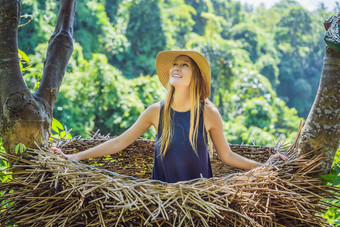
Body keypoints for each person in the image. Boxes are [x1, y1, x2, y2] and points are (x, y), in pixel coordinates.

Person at [52, 50, 288, 183]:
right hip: (162, 202)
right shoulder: (156, 111)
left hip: (200, 202)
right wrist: (76, 157)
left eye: (184, 65)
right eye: (175, 64)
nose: (176, 68)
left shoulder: (209, 113)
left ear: (195, 76)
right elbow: (119, 142)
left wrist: (266, 166)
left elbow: (227, 156)